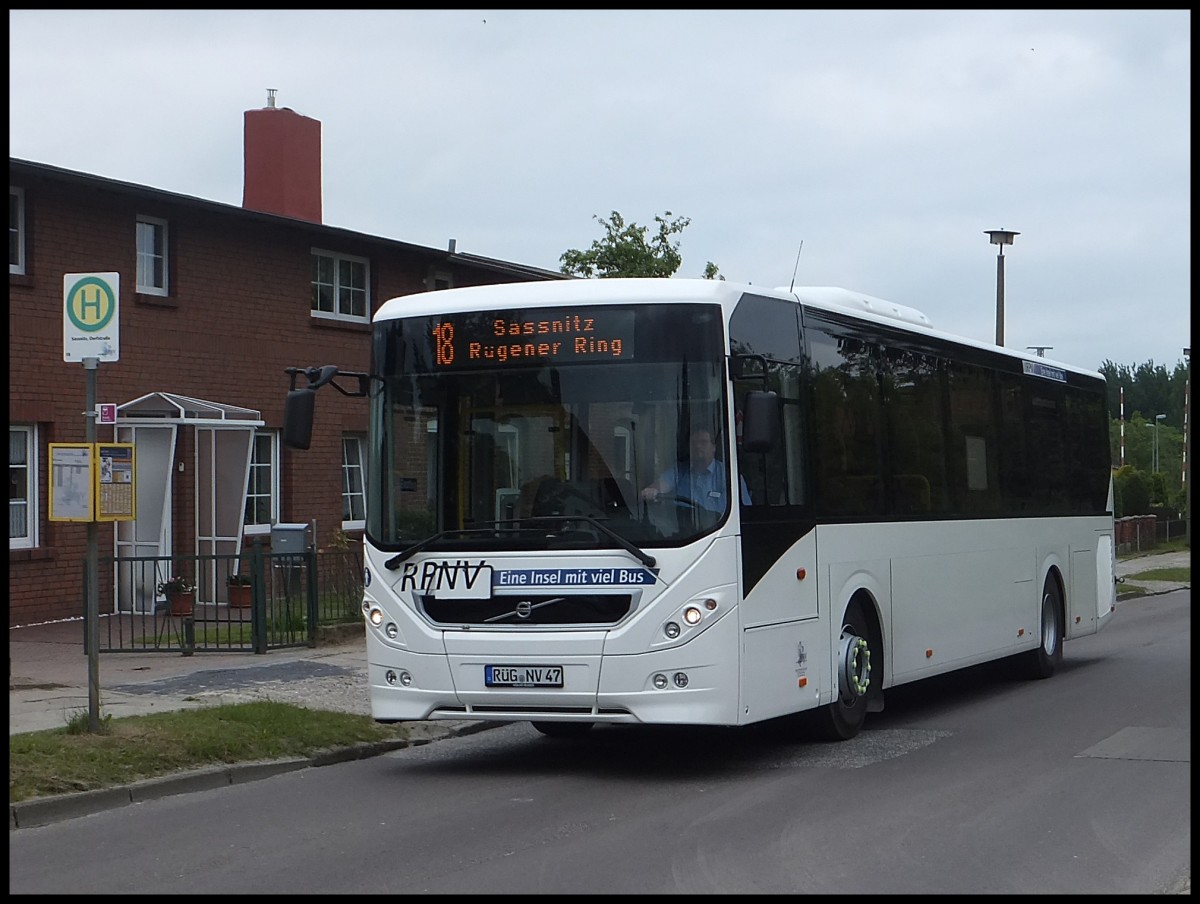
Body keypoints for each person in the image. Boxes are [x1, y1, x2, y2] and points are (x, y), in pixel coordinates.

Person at [641, 427, 751, 511]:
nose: (698, 446)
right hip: (684, 533)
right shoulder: (679, 471)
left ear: (714, 447)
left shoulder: (730, 477)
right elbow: (661, 485)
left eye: (703, 442)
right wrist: (652, 491)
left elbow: (745, 512)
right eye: (693, 443)